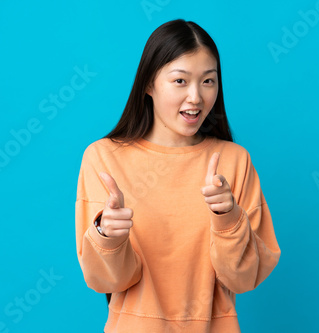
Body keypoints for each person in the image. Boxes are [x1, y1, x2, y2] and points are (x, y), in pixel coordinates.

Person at [75, 19, 281, 333]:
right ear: (148, 84)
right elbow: (106, 280)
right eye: (180, 81)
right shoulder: (103, 158)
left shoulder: (234, 161)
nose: (196, 97)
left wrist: (228, 216)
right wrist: (108, 237)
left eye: (208, 81)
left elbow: (242, 278)